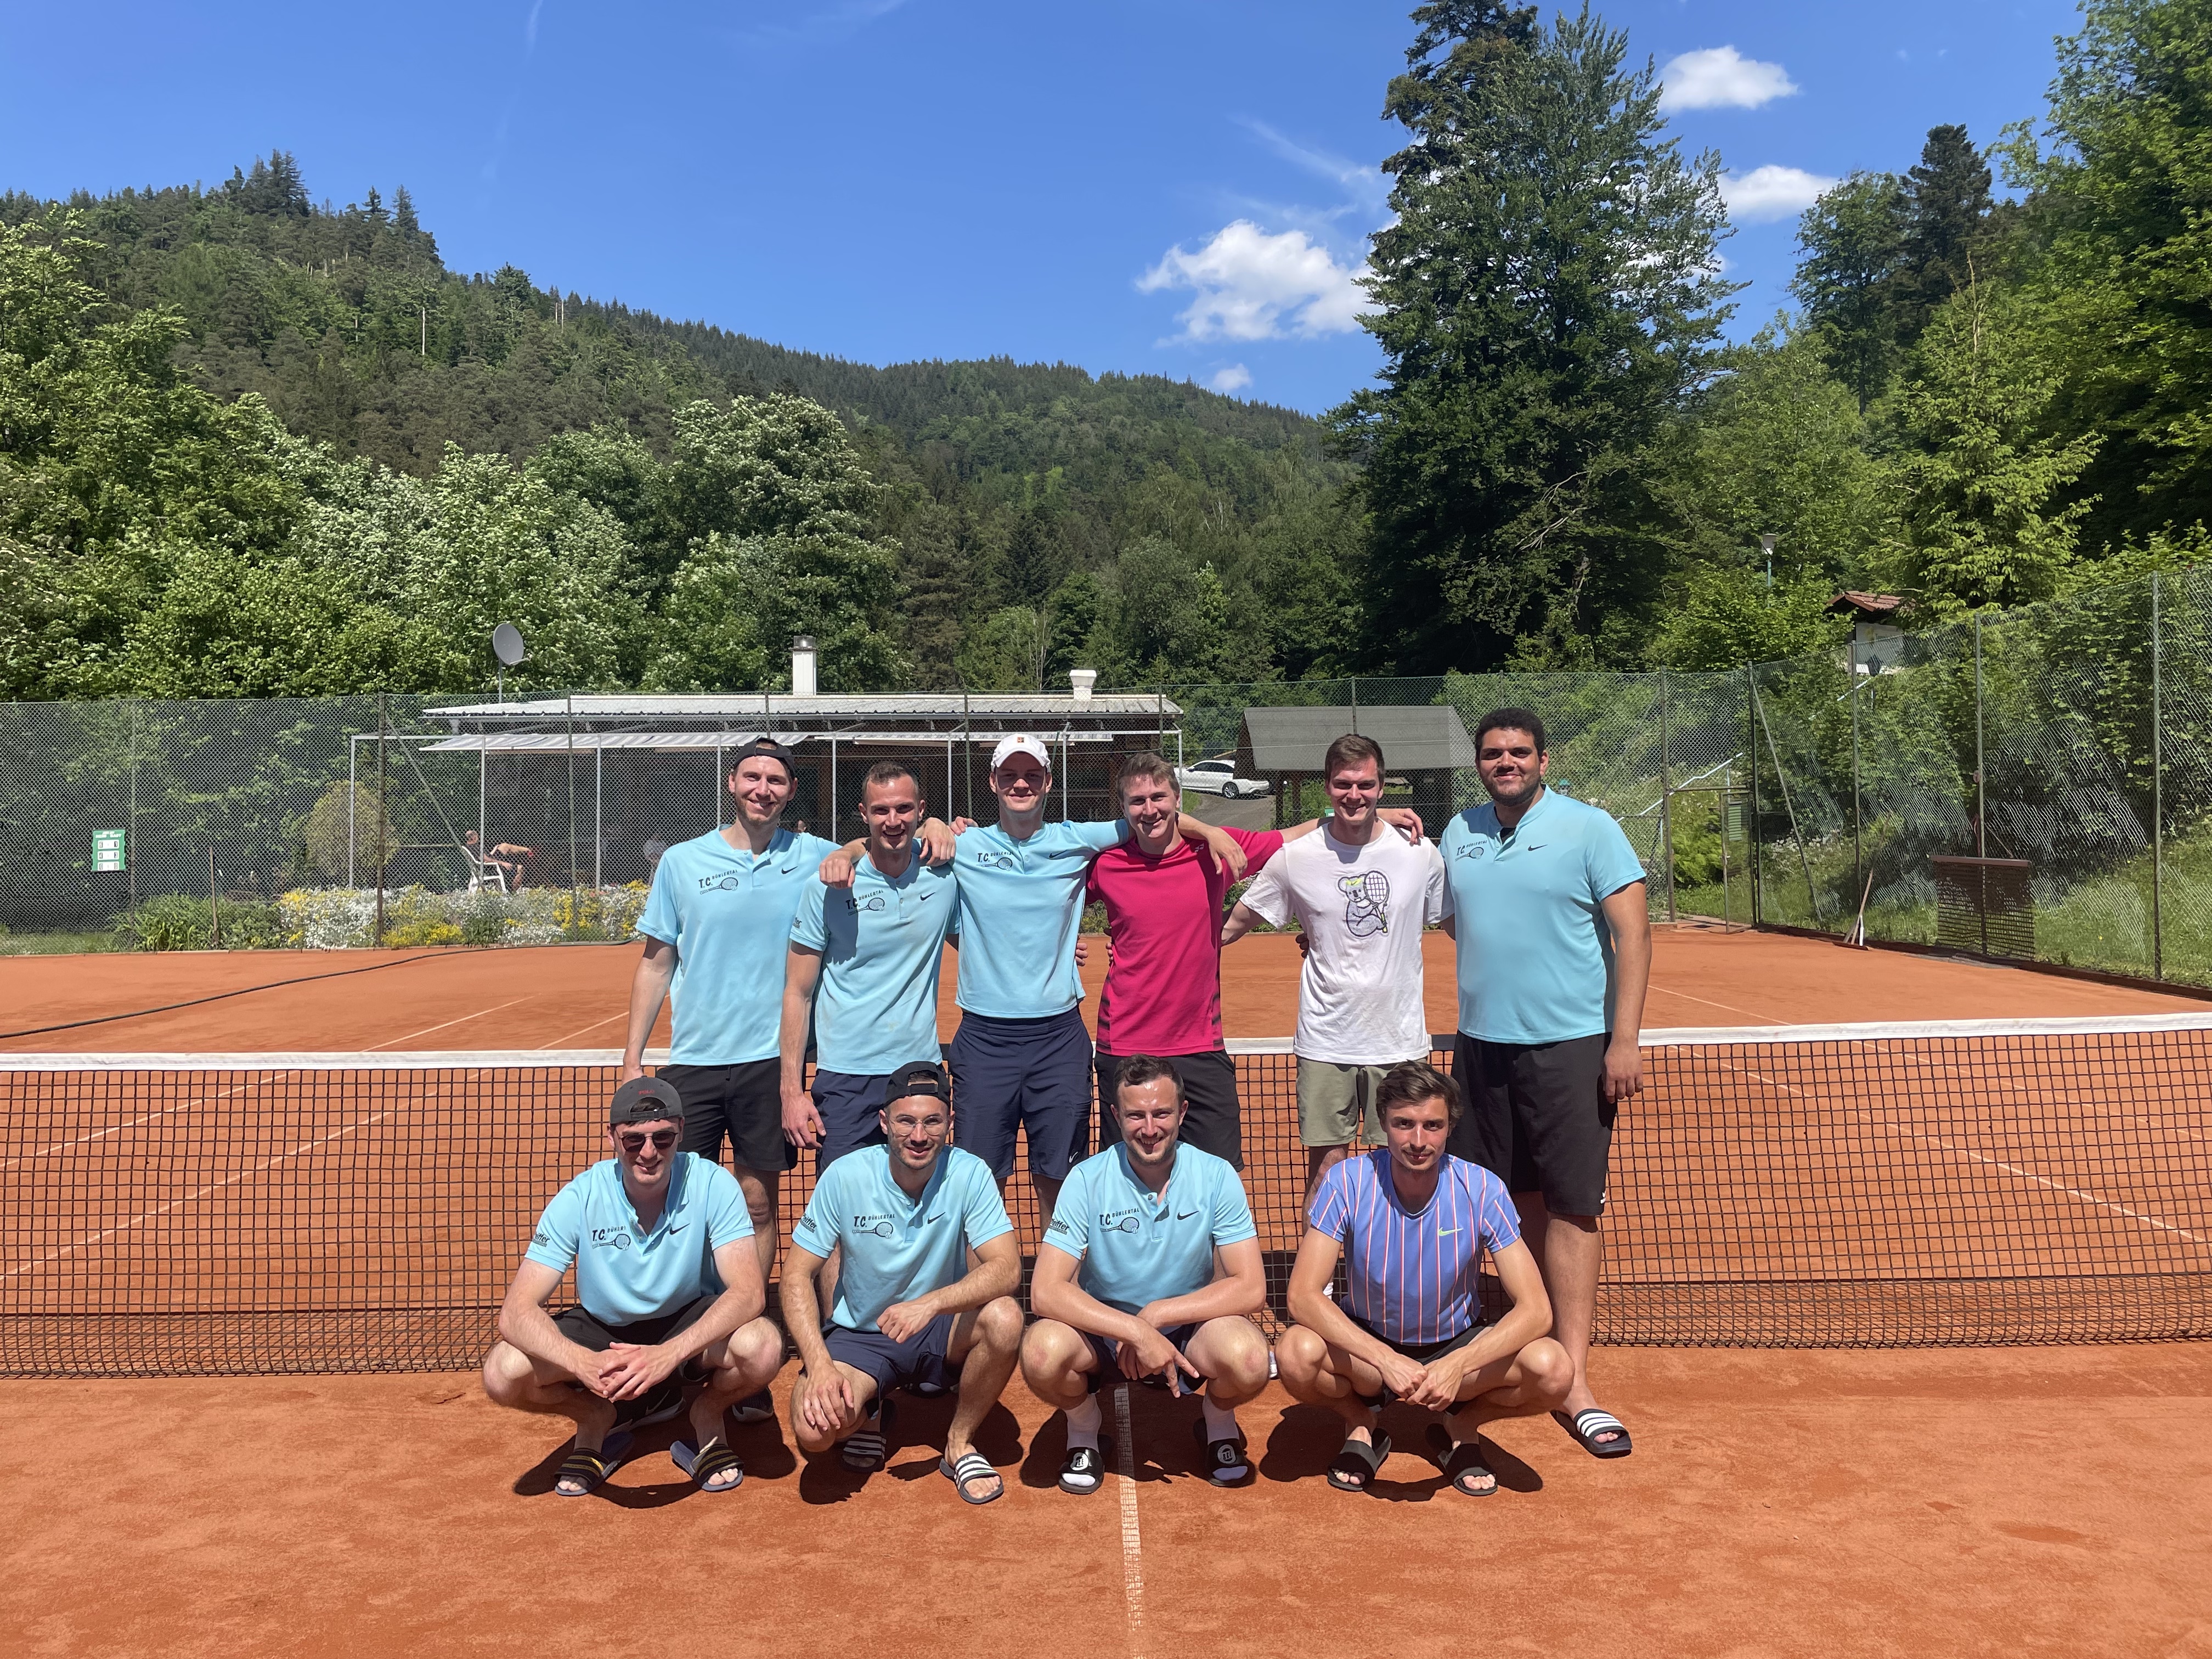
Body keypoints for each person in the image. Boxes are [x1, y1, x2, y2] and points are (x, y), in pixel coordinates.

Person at [620, 738, 950, 1421]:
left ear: (790, 790)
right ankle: (676, 1343)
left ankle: (745, 1339)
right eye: (752, 776)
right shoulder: (683, 863)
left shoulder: (817, 856)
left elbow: (877, 842)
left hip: (774, 1066)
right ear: (732, 783)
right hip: (695, 1062)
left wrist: (939, 826)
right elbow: (656, 962)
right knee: (673, 1206)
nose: (763, 788)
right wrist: (632, 1059)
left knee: (758, 1204)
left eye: (775, 779)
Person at [1438, 707, 1650, 1460]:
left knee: (1570, 1208)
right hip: (1481, 1052)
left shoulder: (1591, 829)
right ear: (1479, 763)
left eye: (1519, 752)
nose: (1507, 762)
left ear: (1543, 759)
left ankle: (1575, 1380)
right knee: (1499, 1205)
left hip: (1571, 1050)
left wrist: (1622, 1039)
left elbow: (1633, 933)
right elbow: (1445, 918)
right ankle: (1511, 1350)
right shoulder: (1458, 831)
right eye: (1494, 753)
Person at [945, 733, 1247, 1228]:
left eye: (1032, 775)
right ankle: (983, 1297)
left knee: (1059, 1180)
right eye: (1009, 775)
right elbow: (887, 841)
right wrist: (933, 825)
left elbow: (1151, 815)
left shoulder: (1078, 840)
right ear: (994, 783)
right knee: (979, 1180)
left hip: (1058, 1036)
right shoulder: (962, 844)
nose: (1020, 783)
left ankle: (1055, 1296)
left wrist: (1209, 830)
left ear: (1046, 783)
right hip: (984, 1037)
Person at [1087, 751, 1422, 1170]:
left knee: (1219, 1177)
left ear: (1178, 799)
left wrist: (1373, 816)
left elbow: (1293, 835)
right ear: (1123, 808)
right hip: (1125, 1043)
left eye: (1159, 797)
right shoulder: (1104, 863)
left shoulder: (1215, 853)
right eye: (1137, 801)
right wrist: (1065, 951)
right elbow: (1046, 899)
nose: (1150, 809)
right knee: (1124, 1178)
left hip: (1200, 1046)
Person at [1275, 1061, 1572, 1495]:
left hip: (1456, 1345)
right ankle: (1361, 1423)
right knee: (1295, 1354)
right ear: (1383, 1124)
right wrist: (1384, 1359)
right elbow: (1302, 1296)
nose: (1418, 1141)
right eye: (1404, 1124)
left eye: (1432, 1125)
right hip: (1367, 1352)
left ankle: (1462, 1426)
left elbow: (1536, 1309)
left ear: (1450, 1125)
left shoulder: (1482, 1188)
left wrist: (1458, 1365)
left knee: (1554, 1370)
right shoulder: (1346, 1180)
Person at [481, 1077, 786, 1497]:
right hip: (603, 1335)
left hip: (685, 1325)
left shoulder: (712, 1184)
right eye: (633, 1140)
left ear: (680, 1130)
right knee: (502, 1372)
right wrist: (580, 1363)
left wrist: (667, 1355)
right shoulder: (581, 1196)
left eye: (662, 1138)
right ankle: (594, 1417)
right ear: (612, 1137)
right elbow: (517, 1311)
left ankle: (707, 1414)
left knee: (764, 1346)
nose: (648, 1152)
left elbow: (749, 1293)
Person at [1021, 1055, 1271, 1494]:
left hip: (1191, 1331)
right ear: (1116, 1116)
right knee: (1041, 1353)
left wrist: (1156, 1316)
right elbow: (1045, 1292)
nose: (1150, 1128)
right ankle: (1084, 1428)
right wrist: (1133, 1331)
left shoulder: (1217, 1176)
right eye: (1136, 1115)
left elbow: (1251, 1288)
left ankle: (1217, 1421)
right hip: (1102, 1335)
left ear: (1183, 1112)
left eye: (1161, 1114)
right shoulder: (1086, 1179)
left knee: (1250, 1360)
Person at [780, 1061, 1025, 1504]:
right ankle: (872, 1411)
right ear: (884, 1122)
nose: (918, 1136)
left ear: (949, 1123)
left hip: (940, 1330)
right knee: (814, 1433)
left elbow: (1007, 1269)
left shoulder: (969, 1173)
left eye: (932, 1121)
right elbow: (796, 1274)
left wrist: (930, 1304)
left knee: (1006, 1317)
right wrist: (818, 1364)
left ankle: (959, 1442)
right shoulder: (845, 1175)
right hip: (862, 1337)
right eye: (906, 1121)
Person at [1221, 733, 1446, 1203]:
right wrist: (1158, 947)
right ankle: (1319, 1281)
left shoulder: (1420, 853)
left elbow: (1456, 924)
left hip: (1399, 1040)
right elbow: (1232, 925)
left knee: (1405, 1168)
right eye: (1343, 784)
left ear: (1382, 787)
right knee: (1328, 1170)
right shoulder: (1296, 859)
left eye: (1365, 785)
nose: (1354, 795)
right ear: (1328, 787)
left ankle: (1393, 1273)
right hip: (1326, 1040)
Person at [781, 761, 961, 1169]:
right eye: (881, 811)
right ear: (864, 815)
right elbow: (797, 992)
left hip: (920, 1072)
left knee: (922, 1202)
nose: (893, 820)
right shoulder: (825, 887)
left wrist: (1058, 945)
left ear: (920, 810)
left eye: (904, 809)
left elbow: (984, 941)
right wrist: (791, 1092)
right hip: (845, 1076)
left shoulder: (945, 877)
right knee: (844, 1207)